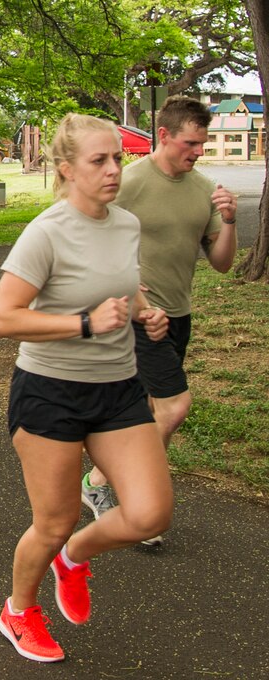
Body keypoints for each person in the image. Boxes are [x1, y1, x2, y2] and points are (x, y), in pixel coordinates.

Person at [0, 113, 172, 663]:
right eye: (100, 160)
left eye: (118, 157)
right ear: (67, 170)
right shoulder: (45, 232)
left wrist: (145, 312)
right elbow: (4, 318)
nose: (114, 169)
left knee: (149, 515)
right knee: (52, 521)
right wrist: (85, 323)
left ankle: (73, 558)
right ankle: (18, 611)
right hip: (50, 390)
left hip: (117, 389)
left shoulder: (125, 224)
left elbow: (120, 285)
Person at [80, 96, 239, 548]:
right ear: (164, 135)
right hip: (136, 318)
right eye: (190, 143)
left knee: (149, 413)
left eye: (202, 144)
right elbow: (92, 241)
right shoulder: (127, 183)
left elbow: (223, 264)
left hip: (178, 315)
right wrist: (132, 294)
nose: (197, 152)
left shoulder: (203, 188)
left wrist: (228, 221)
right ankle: (122, 495)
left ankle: (114, 489)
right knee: (173, 408)